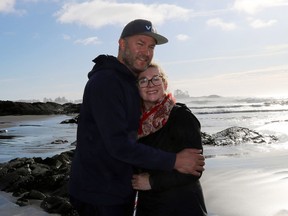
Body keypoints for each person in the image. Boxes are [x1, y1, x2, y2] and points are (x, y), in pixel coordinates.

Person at [68, 19, 205, 216]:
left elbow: (193, 166)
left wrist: (152, 180)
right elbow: (118, 145)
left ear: (165, 83)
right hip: (101, 194)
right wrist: (173, 161)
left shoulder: (173, 116)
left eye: (151, 47)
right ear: (122, 43)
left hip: (155, 201)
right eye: (140, 43)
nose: (146, 52)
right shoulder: (108, 82)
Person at [132, 63, 207, 216]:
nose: (150, 84)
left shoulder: (181, 117)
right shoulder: (134, 123)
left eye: (155, 79)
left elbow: (195, 170)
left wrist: (152, 182)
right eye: (143, 80)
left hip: (182, 206)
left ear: (164, 83)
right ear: (137, 87)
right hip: (149, 206)